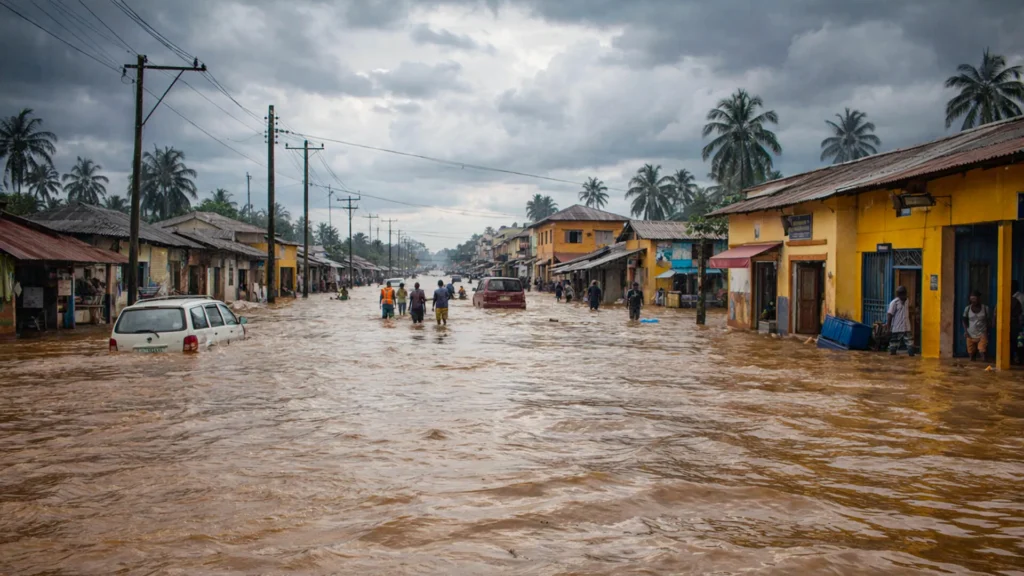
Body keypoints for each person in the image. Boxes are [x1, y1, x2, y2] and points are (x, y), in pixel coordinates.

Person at [886, 285, 916, 357]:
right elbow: (889, 315)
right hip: (897, 328)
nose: (901, 296)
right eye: (900, 294)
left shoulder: (907, 301)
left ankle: (911, 357)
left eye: (903, 294)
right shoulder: (894, 303)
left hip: (906, 327)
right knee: (893, 346)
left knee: (910, 345)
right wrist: (888, 328)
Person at [962, 290, 991, 361]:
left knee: (982, 351)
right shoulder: (967, 308)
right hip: (970, 334)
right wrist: (966, 331)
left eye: (975, 299)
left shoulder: (985, 308)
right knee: (971, 354)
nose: (973, 301)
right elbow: (964, 320)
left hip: (982, 333)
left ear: (979, 299)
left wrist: (987, 331)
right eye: (971, 299)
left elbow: (988, 321)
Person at [1011, 281, 1023, 364]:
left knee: (1018, 342)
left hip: (1018, 323)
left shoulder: (1018, 298)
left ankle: (1018, 359)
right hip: (1017, 323)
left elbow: (1019, 312)